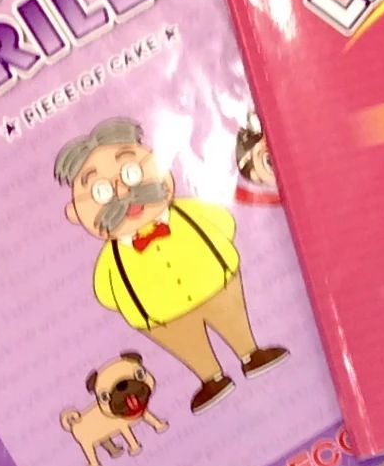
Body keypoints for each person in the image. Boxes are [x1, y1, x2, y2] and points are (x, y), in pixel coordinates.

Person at [54, 116, 288, 413]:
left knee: (234, 321)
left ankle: (250, 353)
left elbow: (223, 222)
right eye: (101, 191)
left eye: (130, 172)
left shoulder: (189, 212)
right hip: (162, 315)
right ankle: (211, 377)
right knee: (188, 344)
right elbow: (107, 292)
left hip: (217, 283)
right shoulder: (111, 262)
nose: (124, 193)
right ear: (75, 213)